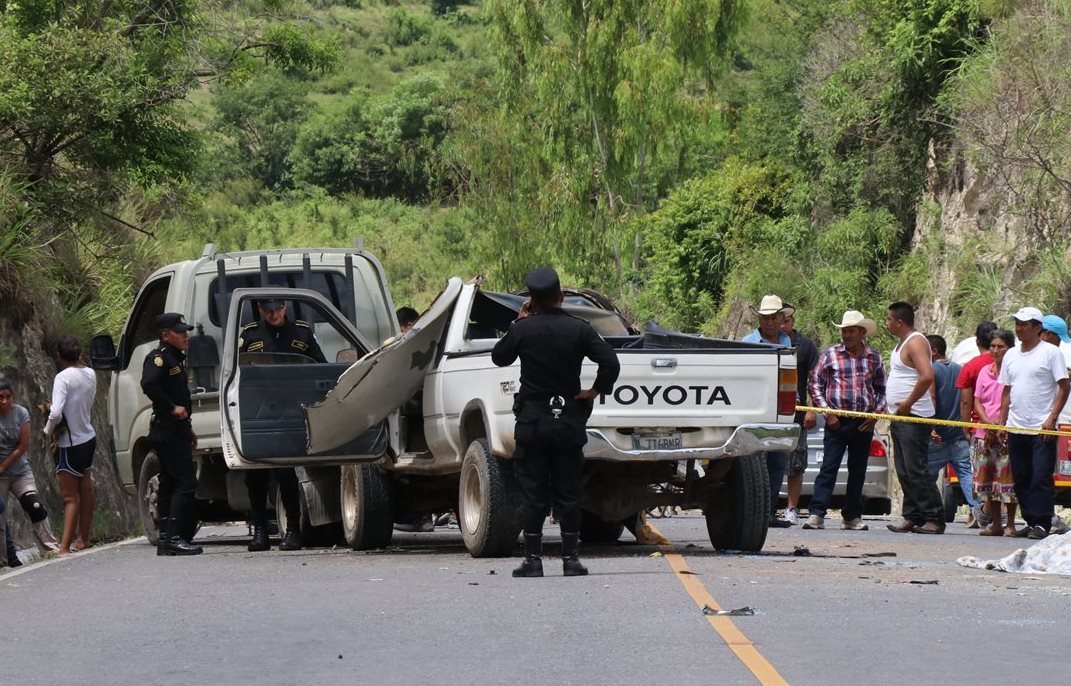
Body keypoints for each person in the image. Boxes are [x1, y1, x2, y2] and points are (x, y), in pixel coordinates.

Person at [492, 267, 620, 577]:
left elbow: (500, 357)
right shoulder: (580, 329)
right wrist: (595, 390)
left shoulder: (523, 330)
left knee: (532, 493)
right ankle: (571, 560)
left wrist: (518, 322)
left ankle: (533, 561)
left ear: (531, 301)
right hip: (568, 422)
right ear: (561, 296)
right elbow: (610, 362)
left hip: (533, 422)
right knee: (569, 491)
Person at [238, 299, 326, 551]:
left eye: (277, 309)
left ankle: (293, 531)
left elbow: (320, 366)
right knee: (255, 475)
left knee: (286, 474)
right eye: (268, 310)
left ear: (285, 307)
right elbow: (236, 370)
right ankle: (259, 532)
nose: (273, 314)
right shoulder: (250, 334)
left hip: (291, 411)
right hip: (259, 411)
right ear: (260, 310)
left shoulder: (302, 332)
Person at [802, 311, 886, 531]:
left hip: (863, 420)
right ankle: (817, 513)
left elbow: (882, 390)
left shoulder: (874, 358)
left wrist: (875, 416)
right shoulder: (830, 354)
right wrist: (827, 413)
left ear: (861, 333)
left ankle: (852, 516)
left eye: (850, 331)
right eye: (844, 331)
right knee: (829, 466)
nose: (846, 335)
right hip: (836, 420)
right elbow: (815, 385)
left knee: (858, 469)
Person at [998, 307, 1070, 540]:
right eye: (1017, 323)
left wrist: (1051, 419)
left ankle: (1042, 523)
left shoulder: (1050, 352)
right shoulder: (1010, 355)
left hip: (1042, 426)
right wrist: (1001, 423)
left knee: (1041, 476)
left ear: (1037, 328)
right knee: (1021, 477)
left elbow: (1064, 386)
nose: (1019, 328)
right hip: (1016, 425)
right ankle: (1031, 520)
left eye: (1025, 324)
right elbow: (1007, 391)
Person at [141, 313, 202, 556]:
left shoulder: (175, 358)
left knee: (168, 482)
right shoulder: (158, 359)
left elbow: (180, 399)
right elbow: (149, 385)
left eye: (186, 330)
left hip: (176, 428)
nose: (185, 335)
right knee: (186, 482)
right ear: (166, 335)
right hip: (167, 429)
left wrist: (188, 428)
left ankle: (167, 537)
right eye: (180, 331)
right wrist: (170, 407)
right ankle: (175, 536)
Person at [885, 302, 945, 534]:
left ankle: (934, 517)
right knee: (904, 469)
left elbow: (927, 375)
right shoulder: (901, 344)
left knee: (916, 468)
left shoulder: (916, 341)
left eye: (889, 319)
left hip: (914, 416)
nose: (887, 323)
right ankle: (913, 515)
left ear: (899, 321)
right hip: (900, 416)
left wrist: (908, 403)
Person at [740, 295, 795, 528]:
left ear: (782, 318)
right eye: (765, 318)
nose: (769, 322)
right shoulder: (748, 342)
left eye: (774, 318)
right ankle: (752, 513)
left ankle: (770, 512)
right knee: (755, 463)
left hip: (779, 410)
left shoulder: (787, 341)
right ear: (759, 319)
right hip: (755, 409)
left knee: (777, 463)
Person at [44, 336, 98, 555]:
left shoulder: (62, 378)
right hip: (88, 437)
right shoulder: (90, 374)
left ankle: (64, 547)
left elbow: (56, 412)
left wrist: (47, 430)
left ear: (59, 356)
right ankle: (82, 539)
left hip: (70, 442)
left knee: (69, 497)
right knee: (86, 487)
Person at [924, 334, 981, 526]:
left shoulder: (930, 370)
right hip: (958, 432)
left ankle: (930, 512)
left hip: (937, 434)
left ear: (933, 351)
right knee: (965, 473)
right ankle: (979, 509)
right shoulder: (960, 369)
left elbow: (931, 399)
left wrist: (931, 426)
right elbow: (967, 399)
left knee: (927, 475)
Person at [0, 379, 61, 556]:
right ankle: (3, 558)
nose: (4, 401)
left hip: (19, 472)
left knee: (33, 504)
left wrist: (3, 465)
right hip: (1, 478)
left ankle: (49, 548)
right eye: (0, 398)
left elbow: (23, 445)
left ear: (13, 397)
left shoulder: (20, 413)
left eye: (8, 397)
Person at [971, 330, 1019, 536]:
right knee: (988, 479)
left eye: (1001, 347)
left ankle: (1010, 524)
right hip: (985, 432)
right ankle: (996, 523)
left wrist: (999, 425)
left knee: (1007, 480)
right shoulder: (984, 371)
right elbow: (977, 401)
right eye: (993, 346)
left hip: (1006, 432)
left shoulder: (1015, 371)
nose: (996, 350)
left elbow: (1013, 400)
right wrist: (987, 423)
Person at [956, 321, 998, 528]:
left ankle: (980, 513)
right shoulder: (1009, 362)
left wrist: (965, 427)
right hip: (1005, 426)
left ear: (977, 340)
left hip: (979, 428)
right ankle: (990, 516)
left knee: (980, 472)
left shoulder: (971, 366)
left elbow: (966, 401)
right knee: (1001, 473)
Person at [780, 310, 819, 526]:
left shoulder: (805, 346)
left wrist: (812, 408)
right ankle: (766, 507)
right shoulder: (765, 343)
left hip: (796, 413)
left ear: (793, 321)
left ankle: (792, 508)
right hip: (769, 413)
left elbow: (815, 380)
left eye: (786, 321)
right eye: (779, 321)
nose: (782, 325)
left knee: (796, 463)